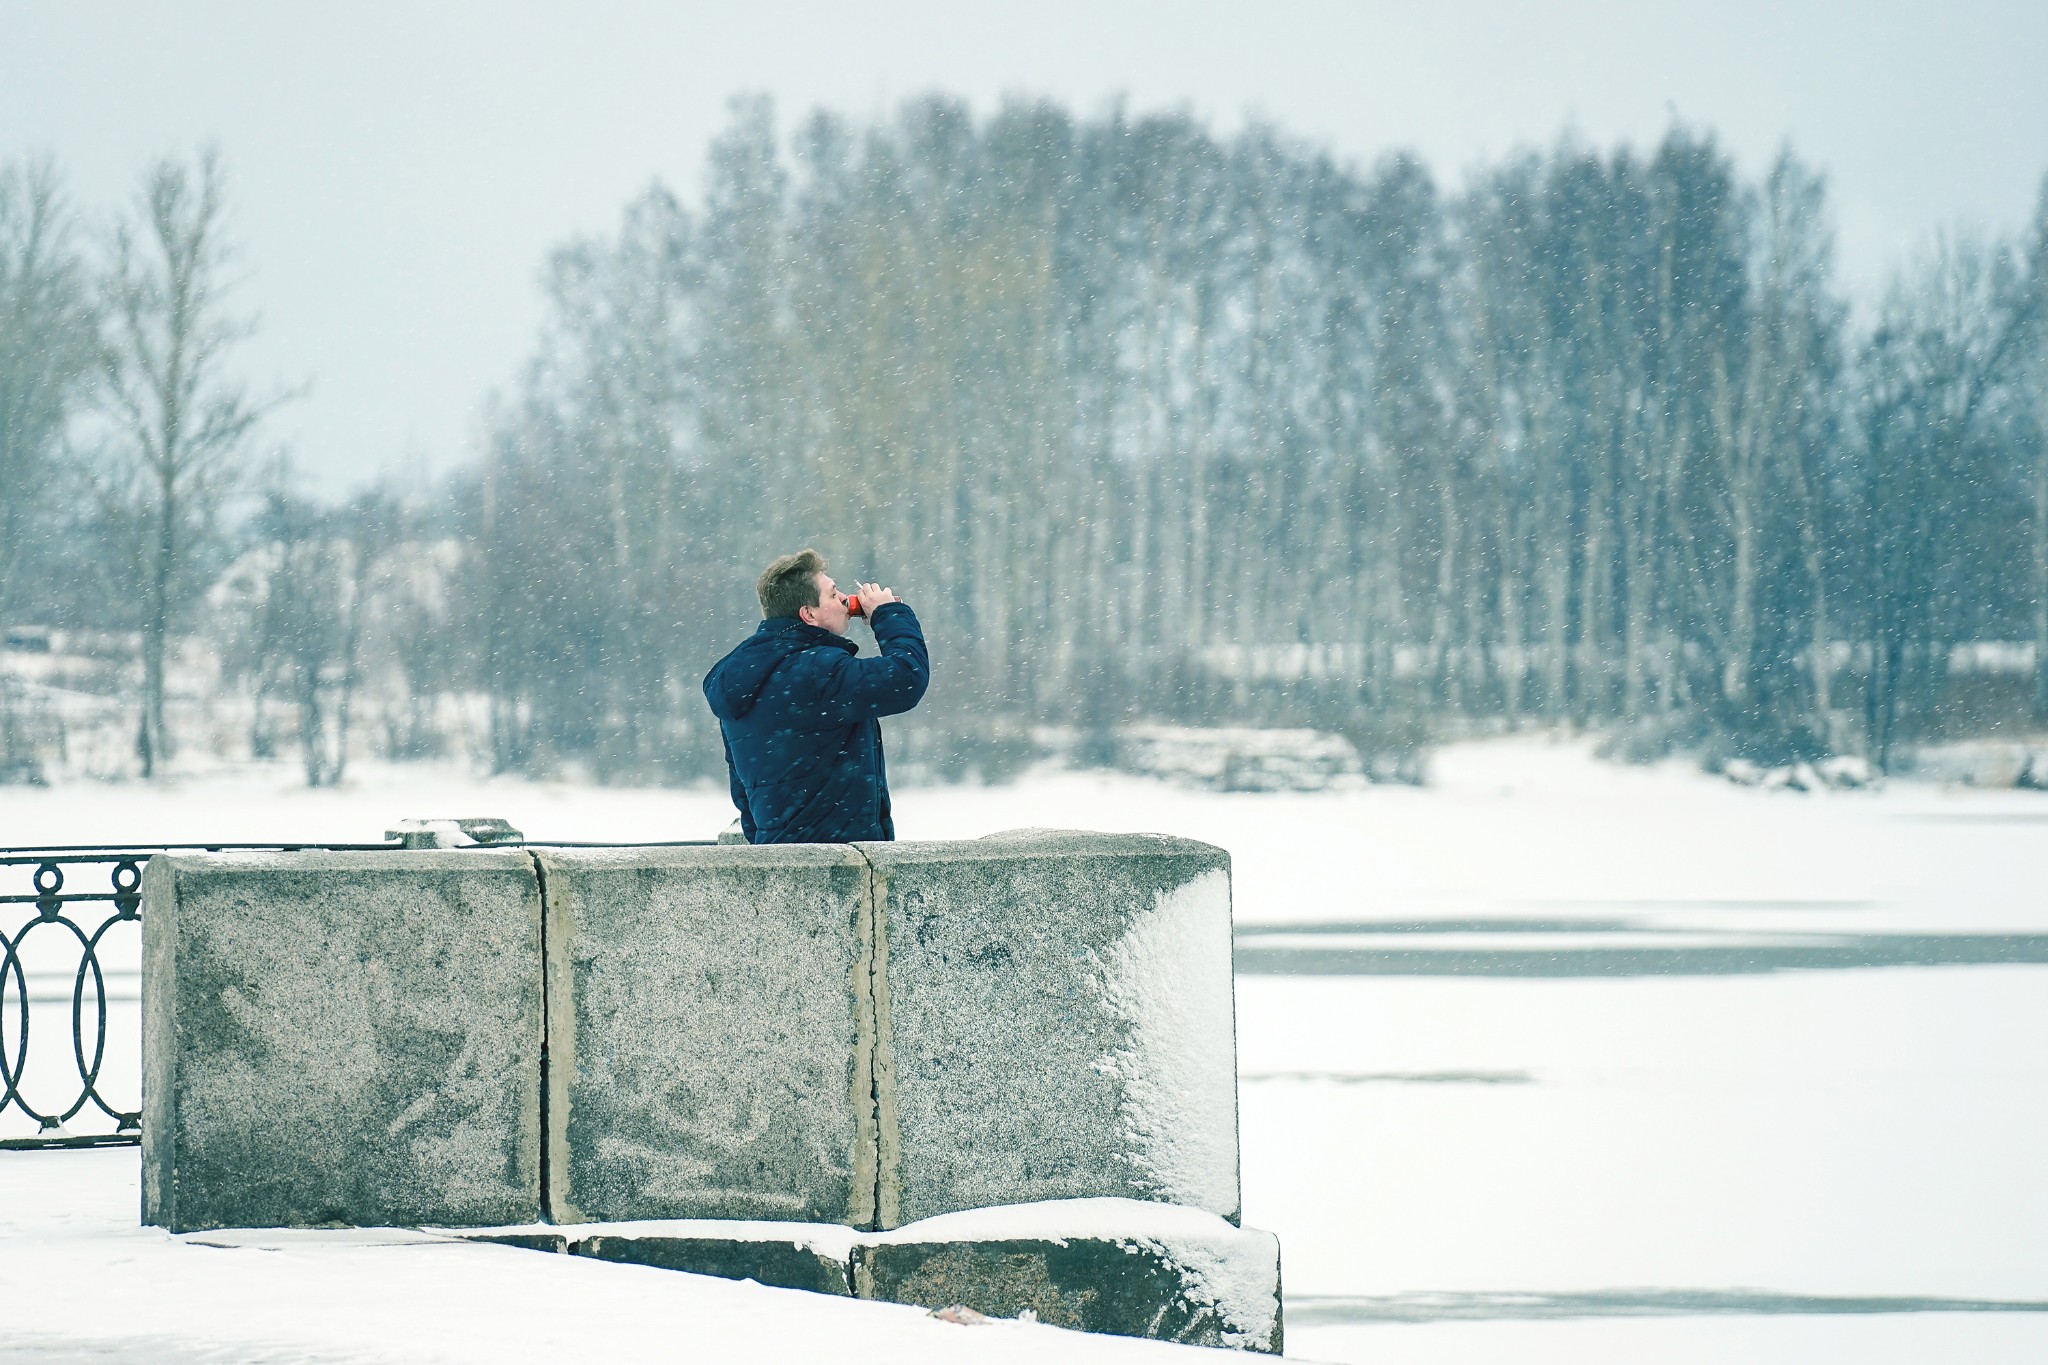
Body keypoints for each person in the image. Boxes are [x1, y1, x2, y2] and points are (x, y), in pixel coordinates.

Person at [703, 548, 929, 844]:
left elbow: (743, 792)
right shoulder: (818, 670)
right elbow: (906, 678)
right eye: (833, 594)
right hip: (838, 864)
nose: (844, 599)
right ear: (808, 614)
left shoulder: (739, 676)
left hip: (776, 863)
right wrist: (889, 614)